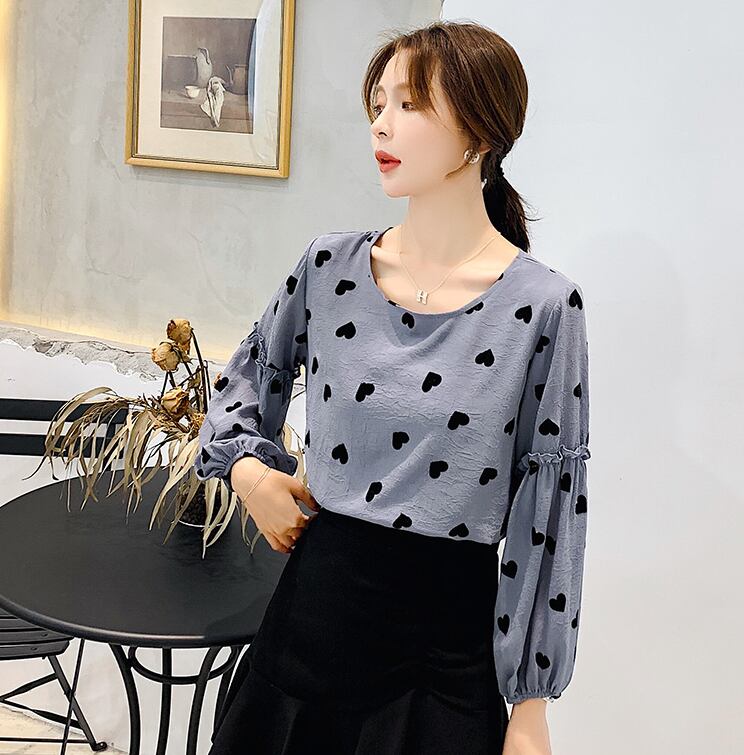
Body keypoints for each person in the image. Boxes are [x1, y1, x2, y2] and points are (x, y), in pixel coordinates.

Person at [196, 20, 591, 755]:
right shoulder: (330, 268)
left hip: (443, 661)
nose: (381, 123)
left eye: (410, 104)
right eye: (378, 104)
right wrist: (248, 472)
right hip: (308, 632)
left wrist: (531, 705)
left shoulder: (542, 307)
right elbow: (244, 381)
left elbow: (549, 509)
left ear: (480, 131)